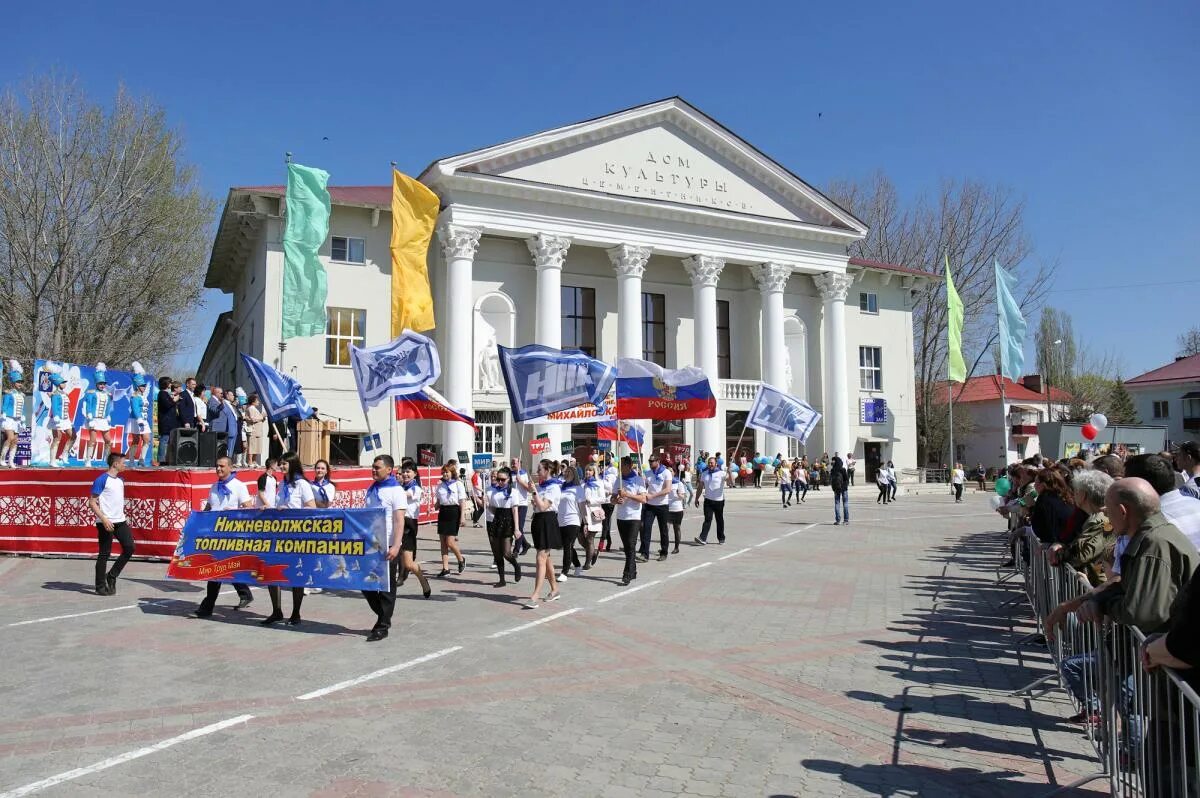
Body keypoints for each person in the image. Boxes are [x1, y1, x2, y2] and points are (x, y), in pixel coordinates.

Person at [192, 456, 255, 617]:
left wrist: (233, 514)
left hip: (230, 535)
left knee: (218, 569)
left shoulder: (239, 486)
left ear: (230, 467)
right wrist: (198, 520)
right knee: (223, 568)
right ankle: (245, 594)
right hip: (214, 535)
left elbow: (249, 509)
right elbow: (209, 506)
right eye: (217, 466)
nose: (218, 469)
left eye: (222, 466)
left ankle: (207, 606)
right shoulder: (214, 486)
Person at [262, 453, 314, 626]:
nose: (282, 467)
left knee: (294, 574)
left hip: (296, 535)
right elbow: (279, 504)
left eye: (285, 464)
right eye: (280, 464)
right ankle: (276, 611)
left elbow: (311, 508)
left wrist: (291, 512)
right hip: (279, 533)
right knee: (272, 571)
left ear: (292, 464)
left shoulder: (302, 484)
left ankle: (295, 613)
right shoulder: (282, 483)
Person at [362, 455, 404, 642]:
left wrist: (396, 545)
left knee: (386, 586)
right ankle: (383, 614)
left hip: (387, 544)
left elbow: (398, 520)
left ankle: (382, 625)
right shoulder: (372, 489)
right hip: (371, 543)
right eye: (373, 466)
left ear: (389, 469)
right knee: (365, 583)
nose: (373, 470)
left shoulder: (396, 490)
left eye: (377, 467)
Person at [1049, 469, 1115, 587]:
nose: (1073, 494)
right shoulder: (1093, 517)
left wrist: (1060, 552)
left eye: (1075, 491)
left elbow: (1081, 554)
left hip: (1098, 584)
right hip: (1093, 581)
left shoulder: (1103, 520)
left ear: (1083, 495)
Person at [88, 452, 133, 595]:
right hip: (105, 522)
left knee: (129, 548)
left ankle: (112, 575)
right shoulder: (101, 480)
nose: (125, 465)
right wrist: (104, 519)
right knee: (104, 554)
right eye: (123, 463)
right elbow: (92, 502)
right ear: (115, 464)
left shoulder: (120, 481)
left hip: (120, 521)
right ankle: (100, 586)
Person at [525, 459, 562, 608]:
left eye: (540, 469)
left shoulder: (553, 487)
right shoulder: (543, 486)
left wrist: (534, 493)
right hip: (539, 521)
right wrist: (534, 493)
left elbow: (542, 506)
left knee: (541, 557)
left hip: (548, 521)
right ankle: (555, 589)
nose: (537, 472)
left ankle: (535, 595)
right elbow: (535, 505)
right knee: (546, 559)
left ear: (547, 471)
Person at [397, 462, 432, 598]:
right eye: (403, 472)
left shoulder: (415, 488)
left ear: (415, 474)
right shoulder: (399, 487)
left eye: (408, 472)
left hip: (408, 525)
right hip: (396, 522)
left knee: (409, 563)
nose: (405, 474)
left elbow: (405, 495)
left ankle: (423, 581)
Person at [485, 467, 521, 587]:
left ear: (508, 479)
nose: (500, 482)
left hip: (508, 521)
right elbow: (493, 509)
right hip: (497, 519)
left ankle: (516, 566)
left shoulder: (513, 492)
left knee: (506, 552)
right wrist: (486, 504)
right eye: (498, 479)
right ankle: (502, 579)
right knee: (497, 552)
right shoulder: (494, 491)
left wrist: (516, 528)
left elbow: (515, 510)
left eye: (502, 480)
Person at [615, 455, 647, 585]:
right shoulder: (618, 480)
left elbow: (644, 499)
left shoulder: (638, 480)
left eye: (621, 465)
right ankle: (633, 571)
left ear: (628, 466)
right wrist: (617, 499)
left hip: (633, 517)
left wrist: (627, 494)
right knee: (628, 547)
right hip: (621, 517)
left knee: (631, 545)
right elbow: (612, 498)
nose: (619, 468)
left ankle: (627, 574)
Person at [434, 461, 468, 577]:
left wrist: (462, 516)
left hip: (454, 512)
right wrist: (434, 506)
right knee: (443, 543)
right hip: (443, 512)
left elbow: (462, 501)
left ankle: (461, 559)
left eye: (446, 472)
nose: (444, 474)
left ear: (452, 472)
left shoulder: (458, 484)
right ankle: (445, 568)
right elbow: (438, 502)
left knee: (450, 542)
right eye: (443, 472)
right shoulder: (440, 486)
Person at [639, 453, 673, 562]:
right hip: (650, 506)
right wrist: (640, 479)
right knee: (646, 529)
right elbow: (643, 487)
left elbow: (668, 489)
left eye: (652, 461)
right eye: (649, 461)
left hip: (662, 505)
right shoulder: (648, 473)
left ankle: (664, 552)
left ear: (658, 462)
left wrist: (652, 496)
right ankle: (645, 554)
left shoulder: (666, 472)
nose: (650, 463)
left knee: (663, 530)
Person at [695, 455, 733, 545]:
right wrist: (696, 498)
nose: (710, 464)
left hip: (719, 501)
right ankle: (702, 538)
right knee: (707, 519)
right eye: (709, 463)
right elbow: (700, 487)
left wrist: (730, 472)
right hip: (708, 500)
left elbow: (730, 483)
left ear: (716, 464)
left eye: (712, 463)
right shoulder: (704, 474)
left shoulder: (722, 473)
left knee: (719, 519)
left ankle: (721, 538)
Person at [557, 464, 584, 580]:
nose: (566, 474)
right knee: (567, 546)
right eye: (565, 472)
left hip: (573, 520)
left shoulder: (578, 489)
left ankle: (564, 572)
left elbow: (582, 507)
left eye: (569, 472)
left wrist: (586, 523)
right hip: (560, 520)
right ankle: (577, 565)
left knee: (568, 545)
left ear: (574, 475)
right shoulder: (561, 487)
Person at [46, 363, 74, 467]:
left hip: (65, 419)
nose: (65, 384)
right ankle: (52, 460)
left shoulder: (64, 394)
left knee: (73, 436)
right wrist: (56, 416)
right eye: (63, 382)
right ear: (58, 383)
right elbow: (54, 406)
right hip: (56, 419)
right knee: (57, 438)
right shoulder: (55, 394)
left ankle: (64, 454)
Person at [581, 462, 606, 567]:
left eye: (590, 470)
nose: (588, 472)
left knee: (589, 538)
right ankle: (594, 552)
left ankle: (587, 563)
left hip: (593, 514)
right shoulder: (582, 483)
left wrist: (590, 500)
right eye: (586, 470)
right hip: (582, 515)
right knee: (581, 538)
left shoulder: (599, 483)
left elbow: (603, 499)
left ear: (594, 472)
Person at [1, 360, 24, 468]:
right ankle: (2, 458)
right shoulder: (9, 394)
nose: (20, 383)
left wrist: (22, 420)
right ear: (13, 383)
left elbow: (21, 408)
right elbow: (5, 406)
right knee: (9, 438)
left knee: (15, 440)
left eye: (21, 381)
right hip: (8, 419)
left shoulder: (21, 395)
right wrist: (3, 415)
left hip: (17, 420)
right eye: (18, 381)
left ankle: (11, 461)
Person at [126, 363, 151, 466]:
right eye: (142, 386)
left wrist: (143, 419)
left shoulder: (143, 396)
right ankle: (131, 460)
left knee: (147, 440)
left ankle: (142, 459)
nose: (144, 387)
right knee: (136, 441)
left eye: (144, 385)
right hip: (136, 420)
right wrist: (139, 419)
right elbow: (135, 409)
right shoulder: (134, 396)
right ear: (137, 386)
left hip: (143, 420)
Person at [509, 457, 532, 556]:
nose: (513, 464)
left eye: (515, 463)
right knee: (515, 526)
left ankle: (516, 549)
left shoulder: (524, 474)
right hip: (512, 503)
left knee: (520, 527)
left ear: (519, 464)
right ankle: (525, 544)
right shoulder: (510, 474)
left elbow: (529, 489)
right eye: (512, 463)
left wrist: (520, 481)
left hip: (522, 503)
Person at [155, 377, 180, 465]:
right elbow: (167, 405)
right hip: (165, 422)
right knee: (164, 440)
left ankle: (168, 459)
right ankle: (161, 460)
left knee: (170, 442)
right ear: (166, 383)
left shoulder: (167, 394)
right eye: (170, 382)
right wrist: (174, 400)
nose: (171, 384)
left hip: (171, 422)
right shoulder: (162, 393)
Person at [599, 455, 618, 553]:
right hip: (602, 501)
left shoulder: (612, 475)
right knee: (604, 522)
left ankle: (601, 542)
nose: (602, 468)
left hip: (610, 501)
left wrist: (609, 493)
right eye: (600, 466)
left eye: (603, 465)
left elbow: (615, 489)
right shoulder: (599, 476)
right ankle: (609, 541)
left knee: (605, 521)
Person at [667, 467, 687, 554]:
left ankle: (676, 547)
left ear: (674, 473)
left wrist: (679, 494)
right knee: (665, 529)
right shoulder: (665, 483)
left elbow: (683, 497)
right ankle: (664, 547)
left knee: (677, 528)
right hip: (667, 509)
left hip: (677, 509)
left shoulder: (678, 483)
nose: (669, 472)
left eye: (671, 471)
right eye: (667, 471)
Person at [243, 393, 265, 467]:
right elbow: (252, 419)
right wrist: (261, 417)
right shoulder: (251, 408)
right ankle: (250, 461)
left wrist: (262, 417)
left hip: (258, 430)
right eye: (257, 400)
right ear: (253, 402)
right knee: (252, 446)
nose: (258, 402)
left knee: (257, 446)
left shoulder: (255, 409)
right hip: (253, 430)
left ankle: (254, 461)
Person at [830, 456, 849, 525]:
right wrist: (845, 486)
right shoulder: (843, 469)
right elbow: (846, 479)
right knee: (845, 504)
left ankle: (838, 520)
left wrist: (834, 488)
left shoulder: (833, 470)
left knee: (837, 504)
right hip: (844, 489)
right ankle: (846, 520)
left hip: (836, 489)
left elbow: (831, 480)